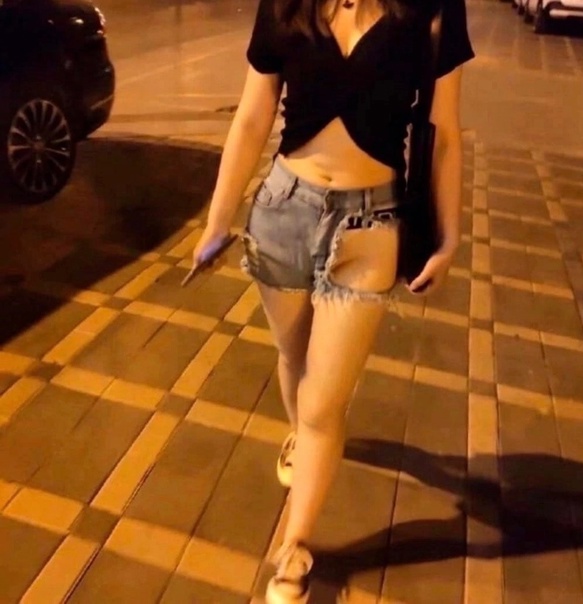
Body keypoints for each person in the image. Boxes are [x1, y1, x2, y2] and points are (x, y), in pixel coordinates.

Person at [192, 0, 474, 600]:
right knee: (295, 361)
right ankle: (300, 434)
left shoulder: (432, 8)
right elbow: (252, 115)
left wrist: (450, 239)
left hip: (371, 228)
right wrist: (217, 222)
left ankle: (293, 550)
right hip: (282, 211)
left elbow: (446, 135)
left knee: (324, 400)